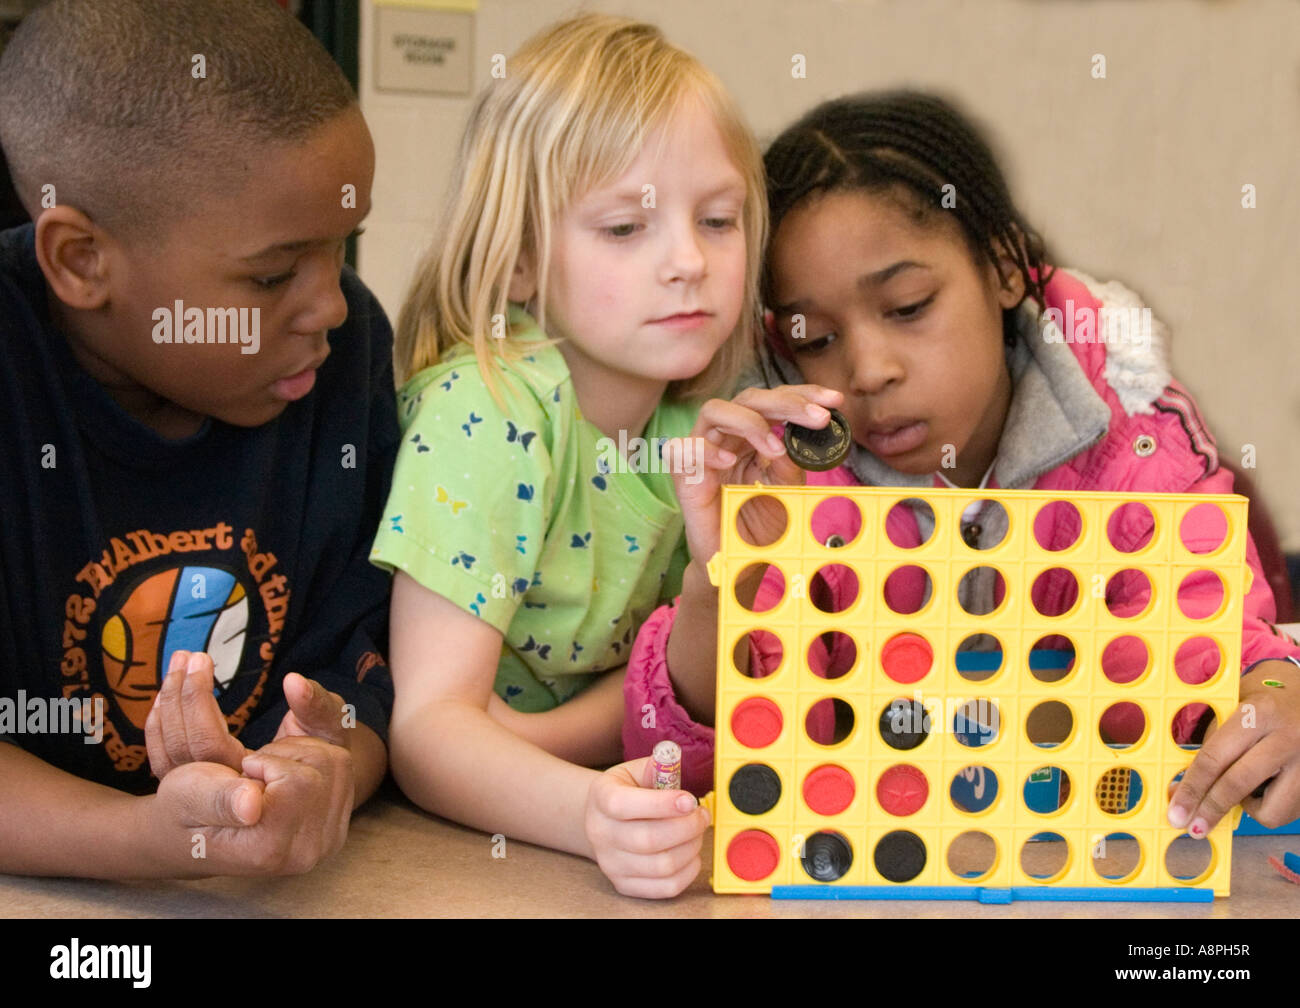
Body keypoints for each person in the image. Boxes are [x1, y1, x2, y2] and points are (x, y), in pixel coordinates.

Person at [625, 90, 1300, 840]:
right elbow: (682, 766)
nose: (868, 370)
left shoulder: (1140, 444)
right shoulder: (786, 478)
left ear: (1006, 267)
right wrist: (720, 582)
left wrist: (1274, 692)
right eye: (816, 338)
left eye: (908, 306)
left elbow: (1225, 656)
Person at [371, 13, 838, 899]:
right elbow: (428, 733)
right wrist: (590, 808)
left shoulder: (694, 431)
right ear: (516, 262)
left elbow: (683, 700)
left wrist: (718, 574)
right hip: (458, 860)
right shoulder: (490, 412)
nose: (689, 262)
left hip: (576, 812)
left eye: (718, 219)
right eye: (626, 228)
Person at [0, 0, 397, 877]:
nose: (330, 304)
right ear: (80, 262)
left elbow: (361, 670)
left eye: (346, 246)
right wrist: (152, 840)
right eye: (271, 274)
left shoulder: (346, 352)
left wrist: (326, 770)